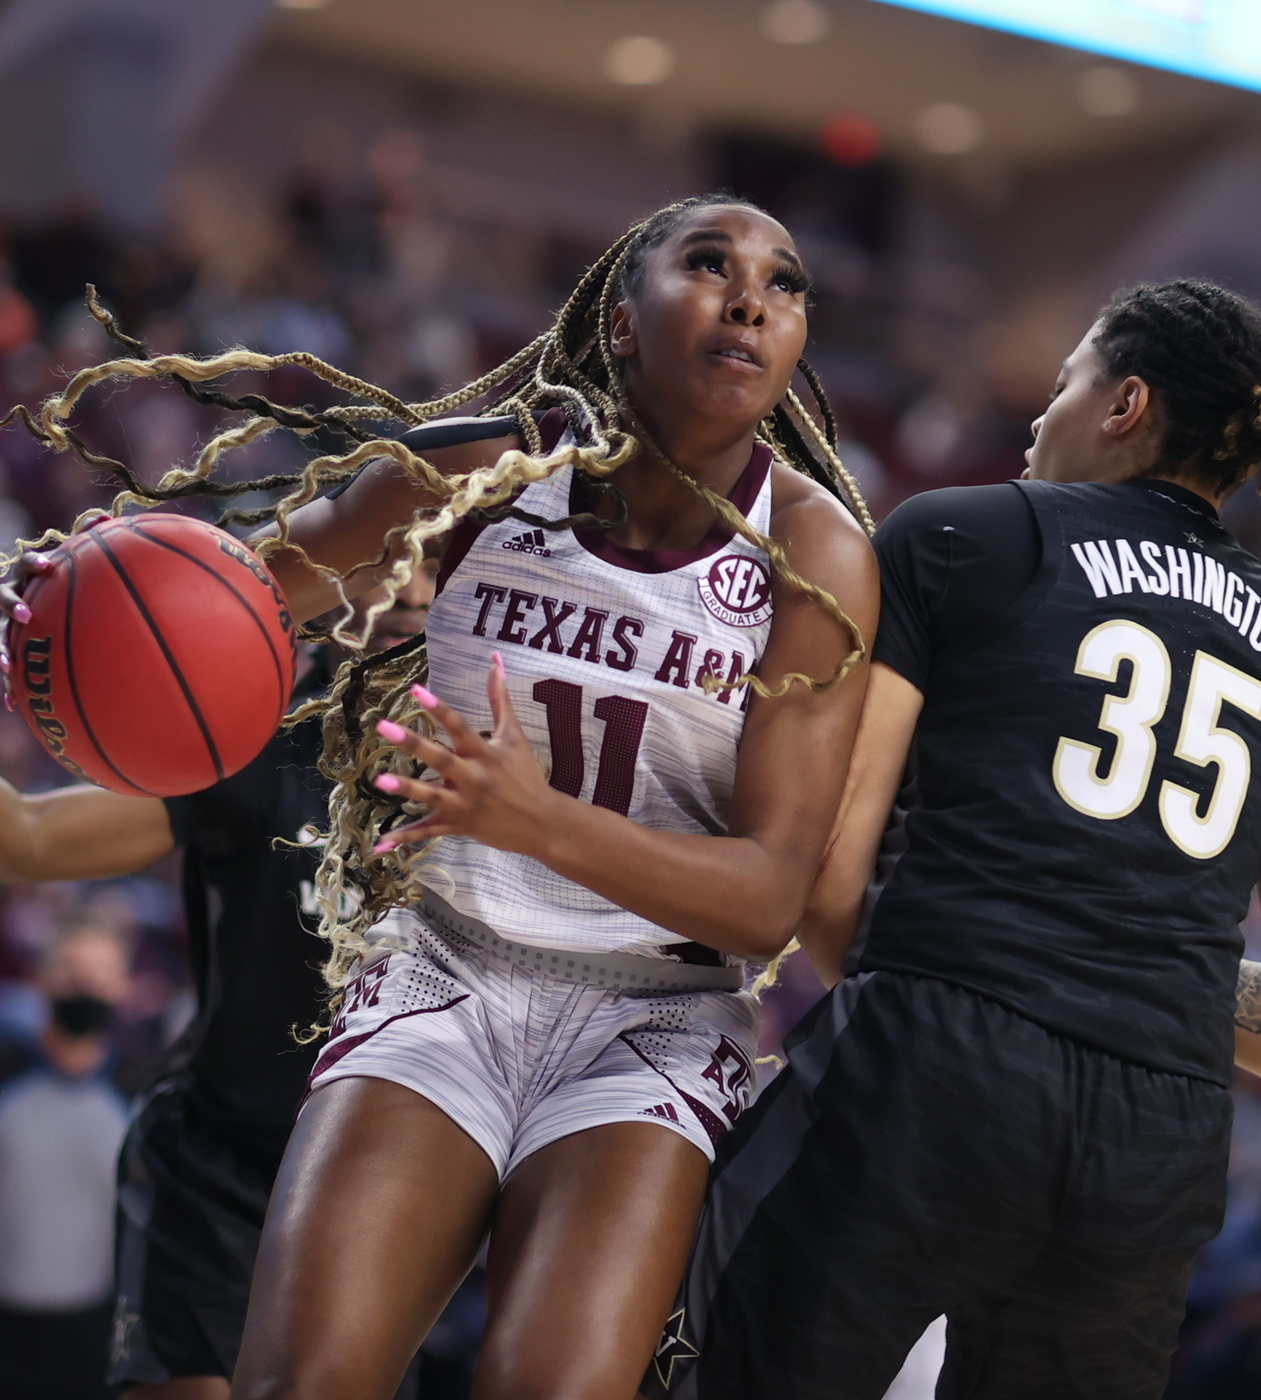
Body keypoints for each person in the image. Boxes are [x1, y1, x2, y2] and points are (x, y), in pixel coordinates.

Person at [8, 193, 877, 1400]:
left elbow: (768, 898)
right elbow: (239, 601)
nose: (750, 297)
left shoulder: (816, 553)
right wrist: (84, 607)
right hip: (445, 970)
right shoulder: (475, 468)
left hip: (653, 1019)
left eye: (784, 285)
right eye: (709, 264)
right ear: (620, 322)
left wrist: (533, 818)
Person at [645, 279, 1261, 1400]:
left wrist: (976, 975)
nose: (1040, 420)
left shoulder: (965, 529)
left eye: (1062, 385)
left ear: (1123, 402)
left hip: (933, 1057)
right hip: (1157, 1137)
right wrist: (1138, 968)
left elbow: (825, 863)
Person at [0, 569, 434, 1400]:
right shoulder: (246, 749)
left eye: (432, 560)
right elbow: (26, 840)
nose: (409, 587)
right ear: (320, 590)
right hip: (221, 1172)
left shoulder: (506, 775)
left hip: (392, 1193)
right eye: (385, 559)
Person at [0, 919, 132, 1400]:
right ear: (42, 978)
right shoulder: (8, 1077)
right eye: (71, 969)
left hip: (95, 1336)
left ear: (123, 985)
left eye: (100, 972)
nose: (85, 984)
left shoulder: (146, 1094)